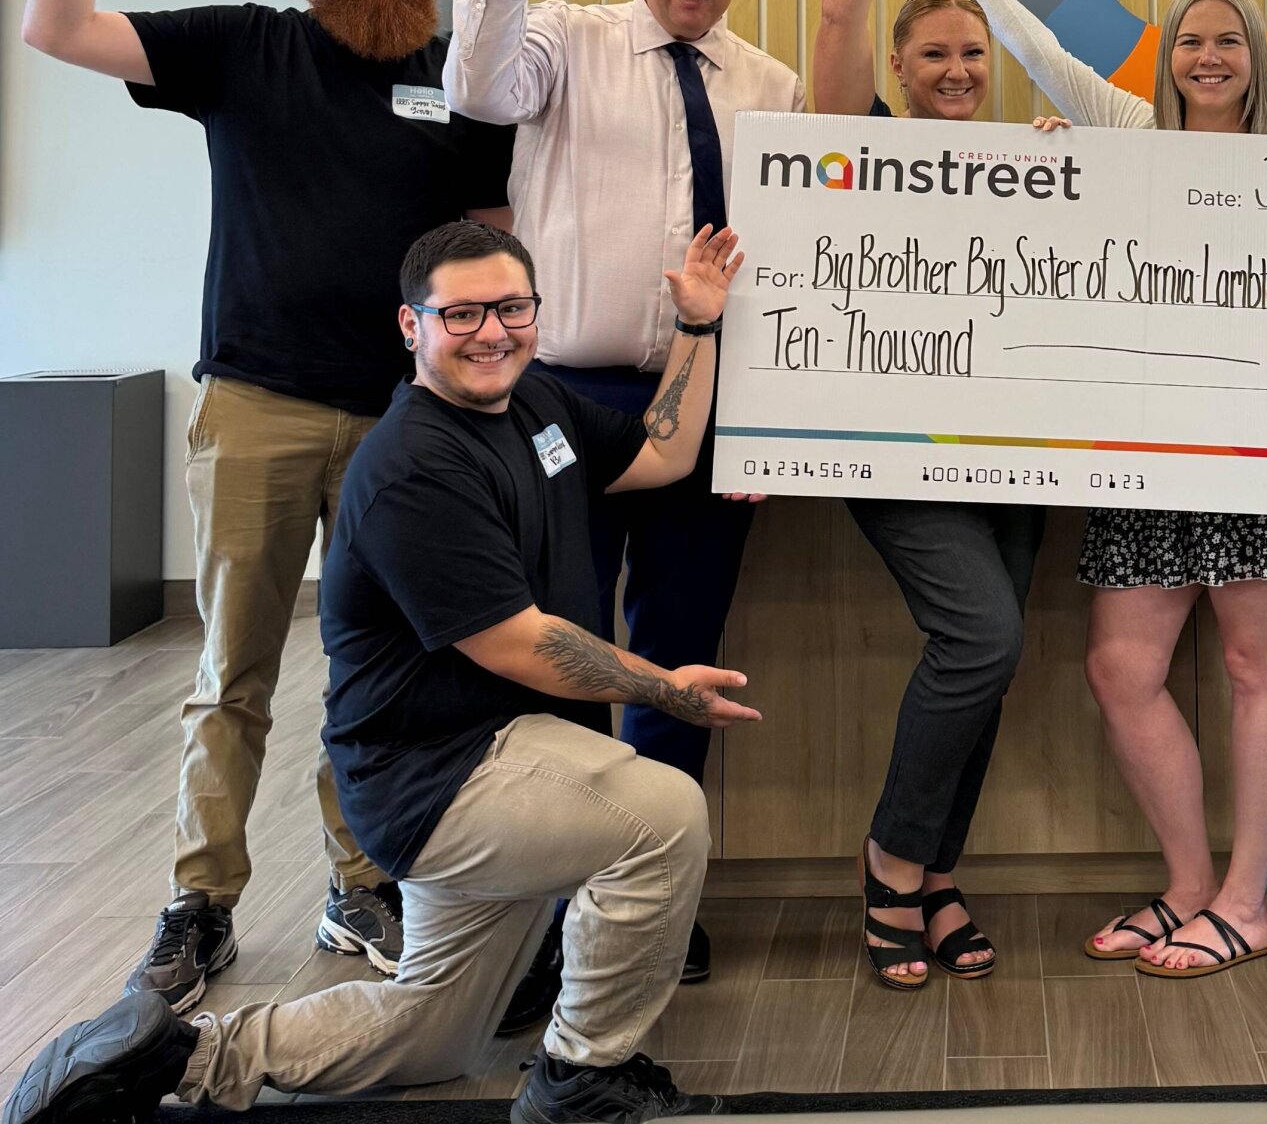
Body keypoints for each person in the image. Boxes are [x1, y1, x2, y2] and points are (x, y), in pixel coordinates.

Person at [2, 218, 759, 1124]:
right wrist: (664, 688)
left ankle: (176, 1055)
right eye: (463, 313)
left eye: (512, 307)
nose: (493, 331)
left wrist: (700, 326)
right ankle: (583, 1078)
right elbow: (519, 647)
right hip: (439, 779)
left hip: (493, 757)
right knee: (664, 816)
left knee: (431, 1035)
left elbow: (663, 452)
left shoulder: (538, 407)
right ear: (412, 328)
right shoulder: (412, 465)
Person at [19, 0, 514, 1008]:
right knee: (233, 667)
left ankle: (363, 879)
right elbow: (58, 29)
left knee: (377, 667)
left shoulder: (454, 85)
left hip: (404, 426)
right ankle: (201, 901)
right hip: (257, 404)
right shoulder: (248, 46)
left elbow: (494, 245)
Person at [898, 0, 1267, 979]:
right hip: (1144, 449)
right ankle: (1190, 885)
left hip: (1256, 448)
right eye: (1191, 38)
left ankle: (1247, 901)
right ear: (1167, 56)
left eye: (1227, 39)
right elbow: (1043, 54)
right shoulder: (1123, 126)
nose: (1207, 55)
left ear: (1257, 57)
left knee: (1255, 664)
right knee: (1121, 666)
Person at [446, 0, 801, 988]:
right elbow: (474, 87)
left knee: (679, 649)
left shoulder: (772, 84)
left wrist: (768, 418)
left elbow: (788, 263)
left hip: (705, 391)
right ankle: (562, 903)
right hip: (568, 392)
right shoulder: (562, 36)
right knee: (561, 650)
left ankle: (658, 896)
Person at [808, 0, 1046, 990]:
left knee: (989, 659)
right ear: (899, 73)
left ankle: (939, 874)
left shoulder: (1022, 158)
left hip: (1016, 455)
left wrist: (1073, 180)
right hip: (893, 459)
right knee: (981, 634)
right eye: (935, 56)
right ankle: (893, 857)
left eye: (971, 55)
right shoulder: (864, 144)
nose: (956, 70)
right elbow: (837, 14)